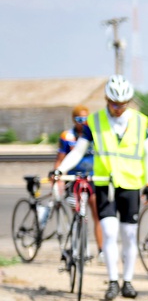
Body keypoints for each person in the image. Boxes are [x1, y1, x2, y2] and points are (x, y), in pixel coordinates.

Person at [55, 75, 148, 300]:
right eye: (113, 103)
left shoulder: (141, 121)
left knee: (129, 235)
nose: (118, 108)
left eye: (122, 104)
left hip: (130, 185)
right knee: (109, 233)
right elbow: (79, 150)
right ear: (106, 99)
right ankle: (112, 281)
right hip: (104, 184)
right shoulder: (95, 121)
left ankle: (127, 281)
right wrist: (61, 170)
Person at [54, 105, 103, 255]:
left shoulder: (95, 135)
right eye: (79, 119)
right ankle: (78, 247)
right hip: (73, 178)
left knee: (97, 214)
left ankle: (101, 250)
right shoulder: (67, 136)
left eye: (85, 119)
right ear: (73, 120)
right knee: (77, 212)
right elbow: (60, 159)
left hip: (92, 177)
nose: (82, 122)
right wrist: (58, 177)